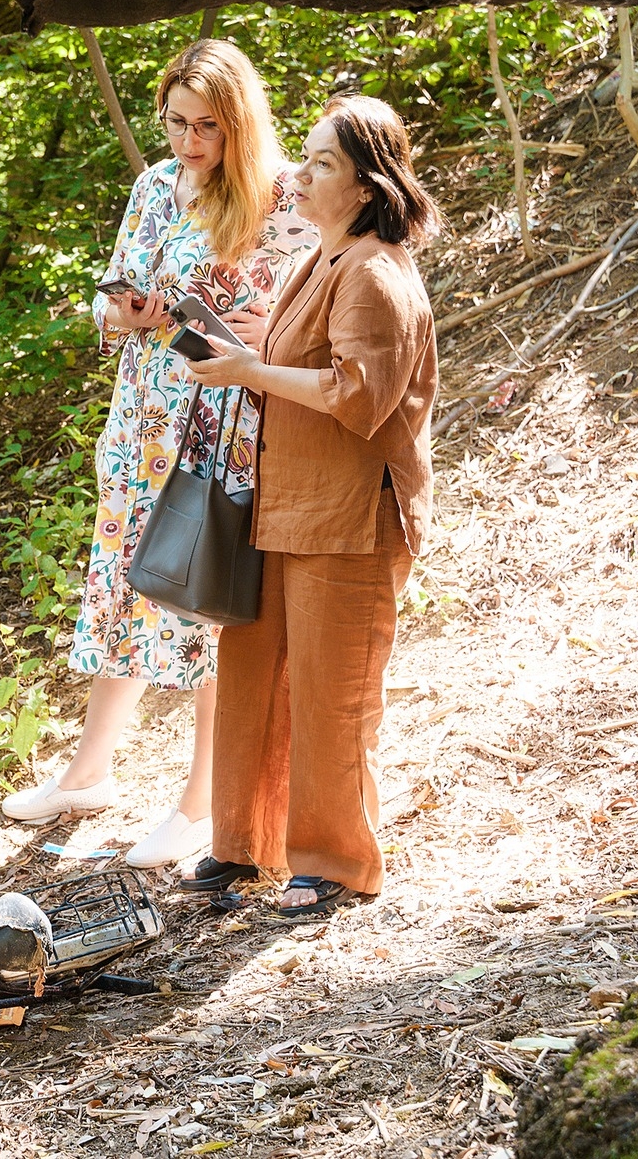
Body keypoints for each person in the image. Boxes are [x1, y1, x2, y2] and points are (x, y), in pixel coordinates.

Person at [1, 39, 316, 873]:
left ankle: (198, 800)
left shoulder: (282, 195)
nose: (187, 141)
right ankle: (88, 771)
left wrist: (234, 327)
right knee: (125, 584)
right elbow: (108, 300)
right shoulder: (153, 187)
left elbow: (293, 313)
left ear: (238, 123)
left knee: (204, 592)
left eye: (205, 126)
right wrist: (124, 312)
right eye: (175, 122)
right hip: (139, 419)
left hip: (217, 424)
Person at [177, 94, 439, 916]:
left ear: (365, 186)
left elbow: (358, 396)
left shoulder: (375, 271)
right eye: (307, 156)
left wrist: (252, 373)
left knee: (332, 696)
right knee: (254, 675)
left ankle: (335, 861)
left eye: (322, 163)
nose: (299, 173)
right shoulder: (318, 258)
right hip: (284, 505)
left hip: (352, 517)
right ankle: (244, 845)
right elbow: (290, 360)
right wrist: (240, 351)